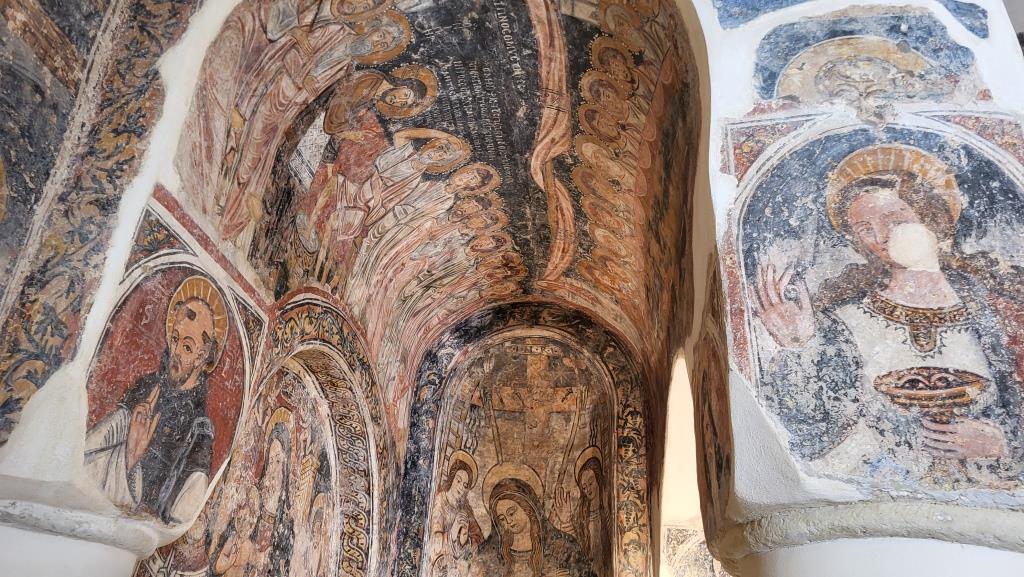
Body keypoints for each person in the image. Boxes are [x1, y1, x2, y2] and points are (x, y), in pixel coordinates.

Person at [755, 144, 1024, 488]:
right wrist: (799, 347)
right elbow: (809, 431)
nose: (881, 238)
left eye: (895, 221)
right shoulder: (845, 320)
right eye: (865, 229)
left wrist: (1004, 443)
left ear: (931, 218)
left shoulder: (997, 311)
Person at [85, 276, 228, 524]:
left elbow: (181, 516)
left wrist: (130, 459)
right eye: (175, 339)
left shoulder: (199, 431)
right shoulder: (145, 389)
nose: (175, 353)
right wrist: (128, 456)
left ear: (202, 356)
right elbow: (89, 453)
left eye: (187, 347)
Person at [477, 464, 594, 577]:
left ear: (527, 507)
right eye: (502, 518)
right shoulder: (491, 553)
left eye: (511, 513)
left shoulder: (561, 545)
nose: (508, 521)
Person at [553, 448, 611, 577]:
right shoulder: (581, 514)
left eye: (590, 483)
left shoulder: (607, 508)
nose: (588, 489)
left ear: (598, 479)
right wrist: (566, 522)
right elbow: (576, 549)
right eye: (584, 487)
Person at [428, 450, 484, 568]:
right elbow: (434, 544)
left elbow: (479, 539)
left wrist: (466, 540)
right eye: (458, 480)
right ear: (452, 478)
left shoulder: (465, 508)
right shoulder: (440, 501)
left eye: (465, 485)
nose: (461, 487)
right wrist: (453, 532)